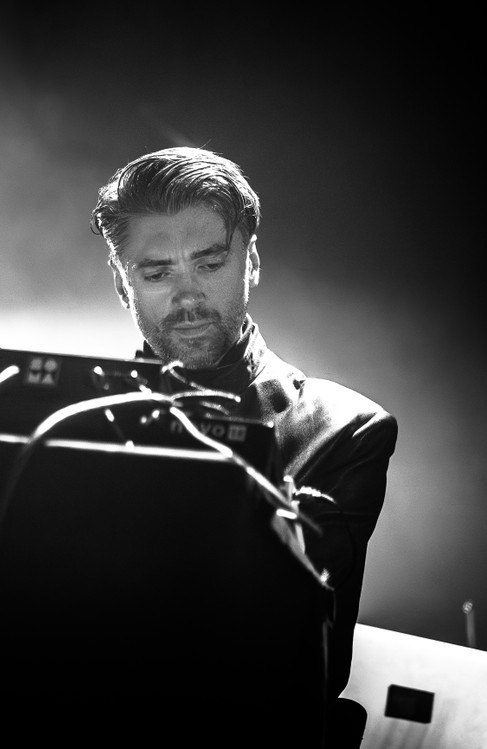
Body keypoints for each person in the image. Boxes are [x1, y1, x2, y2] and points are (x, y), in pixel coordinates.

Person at [90, 146, 398, 742]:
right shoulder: (68, 421)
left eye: (209, 265)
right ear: (122, 284)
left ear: (250, 262)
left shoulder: (345, 428)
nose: (187, 297)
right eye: (157, 274)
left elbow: (295, 650)